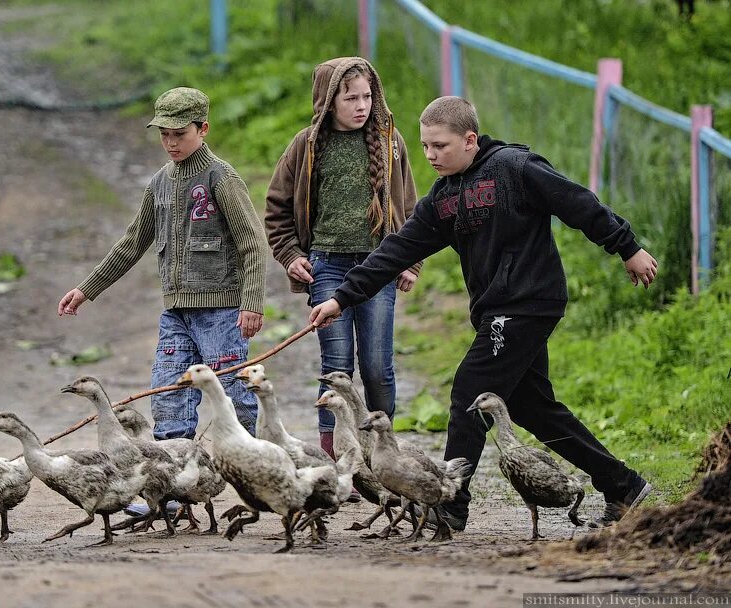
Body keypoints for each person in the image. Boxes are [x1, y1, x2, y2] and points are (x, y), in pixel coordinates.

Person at [309, 96, 658, 530]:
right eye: (425, 147)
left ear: (470, 140)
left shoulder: (516, 168)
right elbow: (395, 250)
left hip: (527, 302)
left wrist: (627, 247)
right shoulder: (444, 198)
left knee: (470, 392)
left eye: (440, 146)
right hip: (498, 310)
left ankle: (449, 506)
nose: (431, 156)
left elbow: (579, 203)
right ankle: (623, 484)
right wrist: (341, 298)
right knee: (531, 407)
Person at [58, 87, 268, 444]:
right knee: (168, 394)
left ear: (203, 129)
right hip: (176, 315)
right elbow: (132, 243)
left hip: (222, 312)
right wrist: (86, 289)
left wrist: (251, 303)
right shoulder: (159, 184)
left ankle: (248, 466)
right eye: (164, 135)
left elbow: (253, 243)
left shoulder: (222, 179)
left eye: (179, 135)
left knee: (233, 397)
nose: (171, 143)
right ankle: (172, 482)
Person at [264, 57, 421, 462]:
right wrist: (290, 255)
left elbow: (410, 207)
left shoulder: (390, 142)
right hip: (327, 266)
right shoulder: (307, 146)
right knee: (336, 365)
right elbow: (277, 208)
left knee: (376, 366)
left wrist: (409, 260)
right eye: (351, 97)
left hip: (379, 267)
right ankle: (338, 458)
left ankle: (382, 453)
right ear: (328, 101)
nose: (361, 105)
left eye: (367, 96)